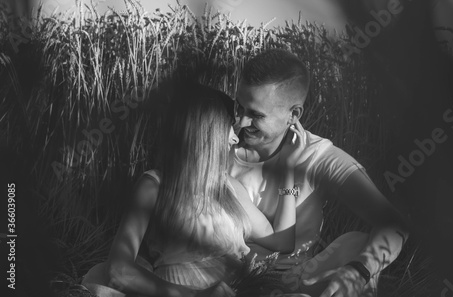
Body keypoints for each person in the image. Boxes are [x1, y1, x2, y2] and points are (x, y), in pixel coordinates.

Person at [81, 83, 307, 297]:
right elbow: (118, 271)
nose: (235, 137)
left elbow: (282, 242)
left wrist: (287, 169)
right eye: (229, 125)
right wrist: (197, 295)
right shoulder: (156, 186)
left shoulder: (229, 188)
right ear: (208, 131)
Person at [229, 49, 410, 297]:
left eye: (256, 115)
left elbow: (393, 224)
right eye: (239, 107)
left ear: (293, 114)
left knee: (356, 244)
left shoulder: (317, 157)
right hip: (229, 280)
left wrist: (360, 270)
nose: (240, 123)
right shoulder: (217, 140)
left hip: (295, 279)